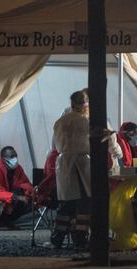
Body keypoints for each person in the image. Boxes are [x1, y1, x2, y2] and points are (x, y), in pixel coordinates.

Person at [51, 90, 90, 249]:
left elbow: (53, 146)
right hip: (81, 163)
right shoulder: (86, 122)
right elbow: (105, 141)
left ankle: (57, 237)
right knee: (83, 203)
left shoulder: (60, 122)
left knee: (67, 203)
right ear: (85, 104)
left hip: (64, 163)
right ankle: (80, 238)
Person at [0, 146, 33, 229]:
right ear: (3, 158)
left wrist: (26, 193)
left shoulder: (18, 169)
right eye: (11, 156)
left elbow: (25, 183)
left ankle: (5, 221)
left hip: (9, 200)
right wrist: (14, 197)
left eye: (15, 156)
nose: (15, 159)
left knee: (27, 200)